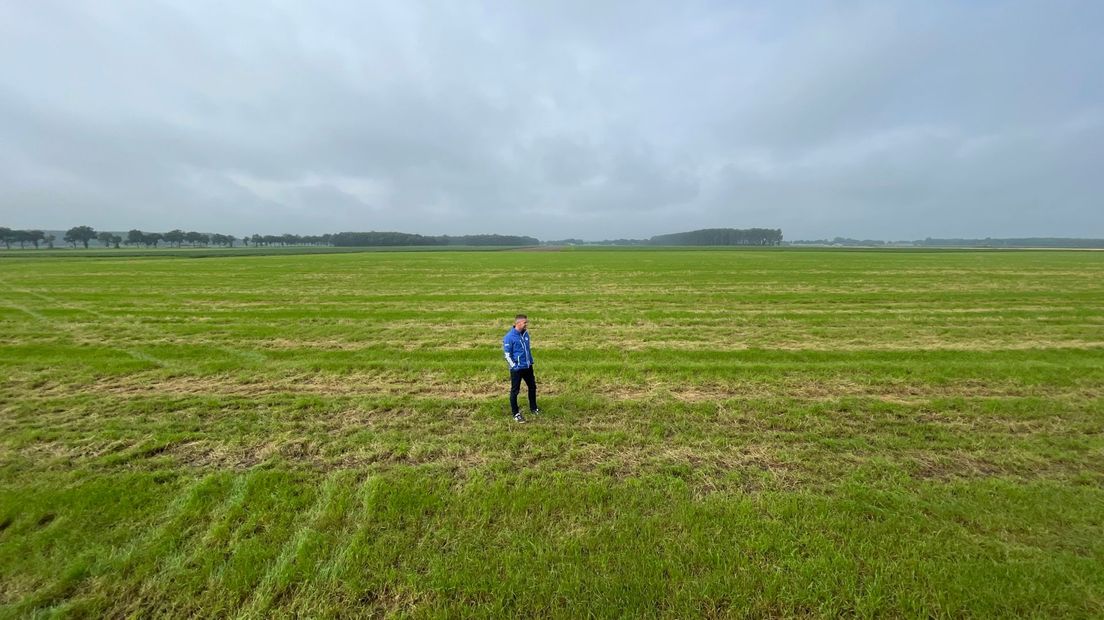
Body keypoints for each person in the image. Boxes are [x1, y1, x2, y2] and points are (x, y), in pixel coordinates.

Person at [503, 314, 540, 423]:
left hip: (528, 367)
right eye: (525, 323)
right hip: (517, 370)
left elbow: (527, 350)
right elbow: (507, 355)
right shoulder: (509, 337)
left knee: (532, 387)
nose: (526, 324)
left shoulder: (525, 334)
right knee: (515, 391)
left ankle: (533, 408)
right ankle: (516, 414)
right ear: (518, 323)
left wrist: (530, 361)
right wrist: (515, 367)